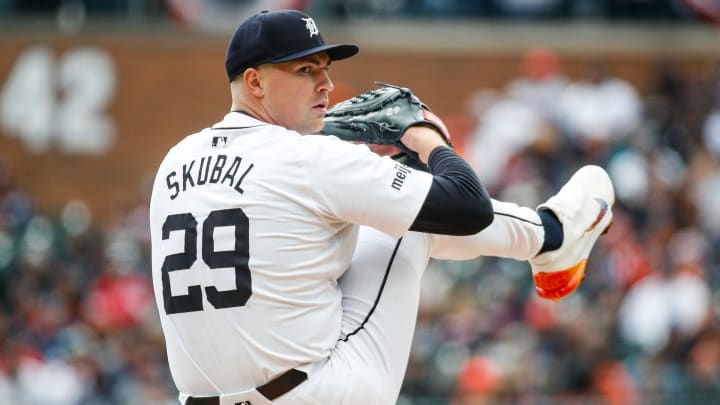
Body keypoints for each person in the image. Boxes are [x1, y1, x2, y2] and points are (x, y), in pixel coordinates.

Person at [149, 9, 613, 405]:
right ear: (255, 81)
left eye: (325, 68)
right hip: (317, 394)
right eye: (305, 70)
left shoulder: (175, 161)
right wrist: (422, 137)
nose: (327, 85)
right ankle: (553, 237)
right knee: (408, 223)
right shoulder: (309, 159)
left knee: (369, 216)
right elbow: (467, 206)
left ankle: (550, 243)